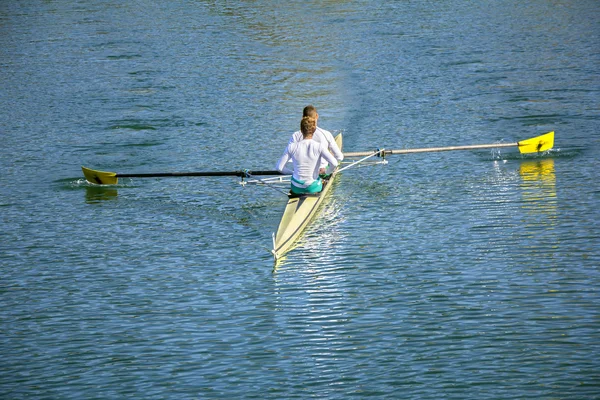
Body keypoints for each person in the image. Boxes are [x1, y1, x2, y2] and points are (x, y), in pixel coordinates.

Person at [276, 116, 339, 194]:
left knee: (296, 180)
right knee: (320, 181)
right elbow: (334, 163)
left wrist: (293, 172)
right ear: (314, 130)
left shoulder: (291, 147)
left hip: (296, 187)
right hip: (312, 187)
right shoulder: (319, 146)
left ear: (301, 130)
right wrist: (326, 172)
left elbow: (279, 168)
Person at [288, 105, 343, 174]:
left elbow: (289, 158)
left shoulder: (295, 136)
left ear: (302, 118)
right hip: (320, 172)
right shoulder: (326, 134)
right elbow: (340, 157)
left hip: (300, 173)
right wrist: (329, 168)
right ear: (317, 116)